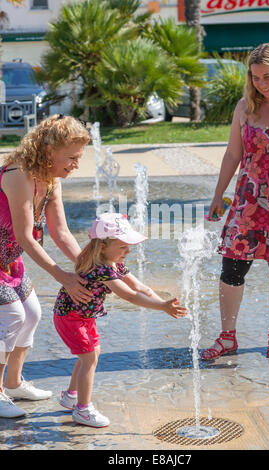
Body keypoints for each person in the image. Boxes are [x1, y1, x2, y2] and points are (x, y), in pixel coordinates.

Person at [201, 43, 269, 361]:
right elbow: (233, 153)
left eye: (267, 76)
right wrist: (219, 195)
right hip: (247, 202)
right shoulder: (245, 108)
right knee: (232, 266)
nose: (261, 83)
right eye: (255, 77)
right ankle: (227, 336)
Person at [53, 212, 187, 428]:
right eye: (123, 246)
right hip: (70, 317)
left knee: (91, 354)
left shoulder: (113, 264)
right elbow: (130, 296)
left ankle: (71, 396)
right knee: (89, 358)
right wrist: (161, 306)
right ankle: (83, 410)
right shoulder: (101, 269)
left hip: (83, 316)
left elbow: (140, 288)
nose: (128, 251)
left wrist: (164, 304)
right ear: (103, 246)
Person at [0, 115, 92, 418]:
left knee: (33, 314)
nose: (77, 164)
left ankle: (12, 383)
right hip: (7, 255)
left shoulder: (50, 182)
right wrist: (62, 276)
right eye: (72, 157)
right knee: (12, 317)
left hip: (9, 261)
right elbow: (26, 237)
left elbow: (61, 232)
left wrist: (88, 267)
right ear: (50, 150)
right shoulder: (18, 175)